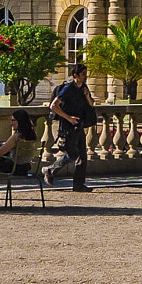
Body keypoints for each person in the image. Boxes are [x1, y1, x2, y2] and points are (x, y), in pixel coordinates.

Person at [46, 63, 97, 192]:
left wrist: (86, 95)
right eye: (83, 74)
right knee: (73, 154)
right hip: (68, 127)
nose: (85, 77)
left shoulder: (83, 88)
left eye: (86, 74)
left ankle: (78, 184)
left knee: (83, 156)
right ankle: (50, 170)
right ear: (75, 75)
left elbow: (91, 104)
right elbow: (53, 106)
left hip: (79, 125)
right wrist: (68, 117)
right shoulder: (68, 89)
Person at [0, 109, 37, 175]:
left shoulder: (16, 136)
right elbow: (10, 145)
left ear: (20, 121)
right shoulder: (32, 135)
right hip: (25, 167)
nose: (11, 123)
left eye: (13, 120)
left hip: (13, 168)